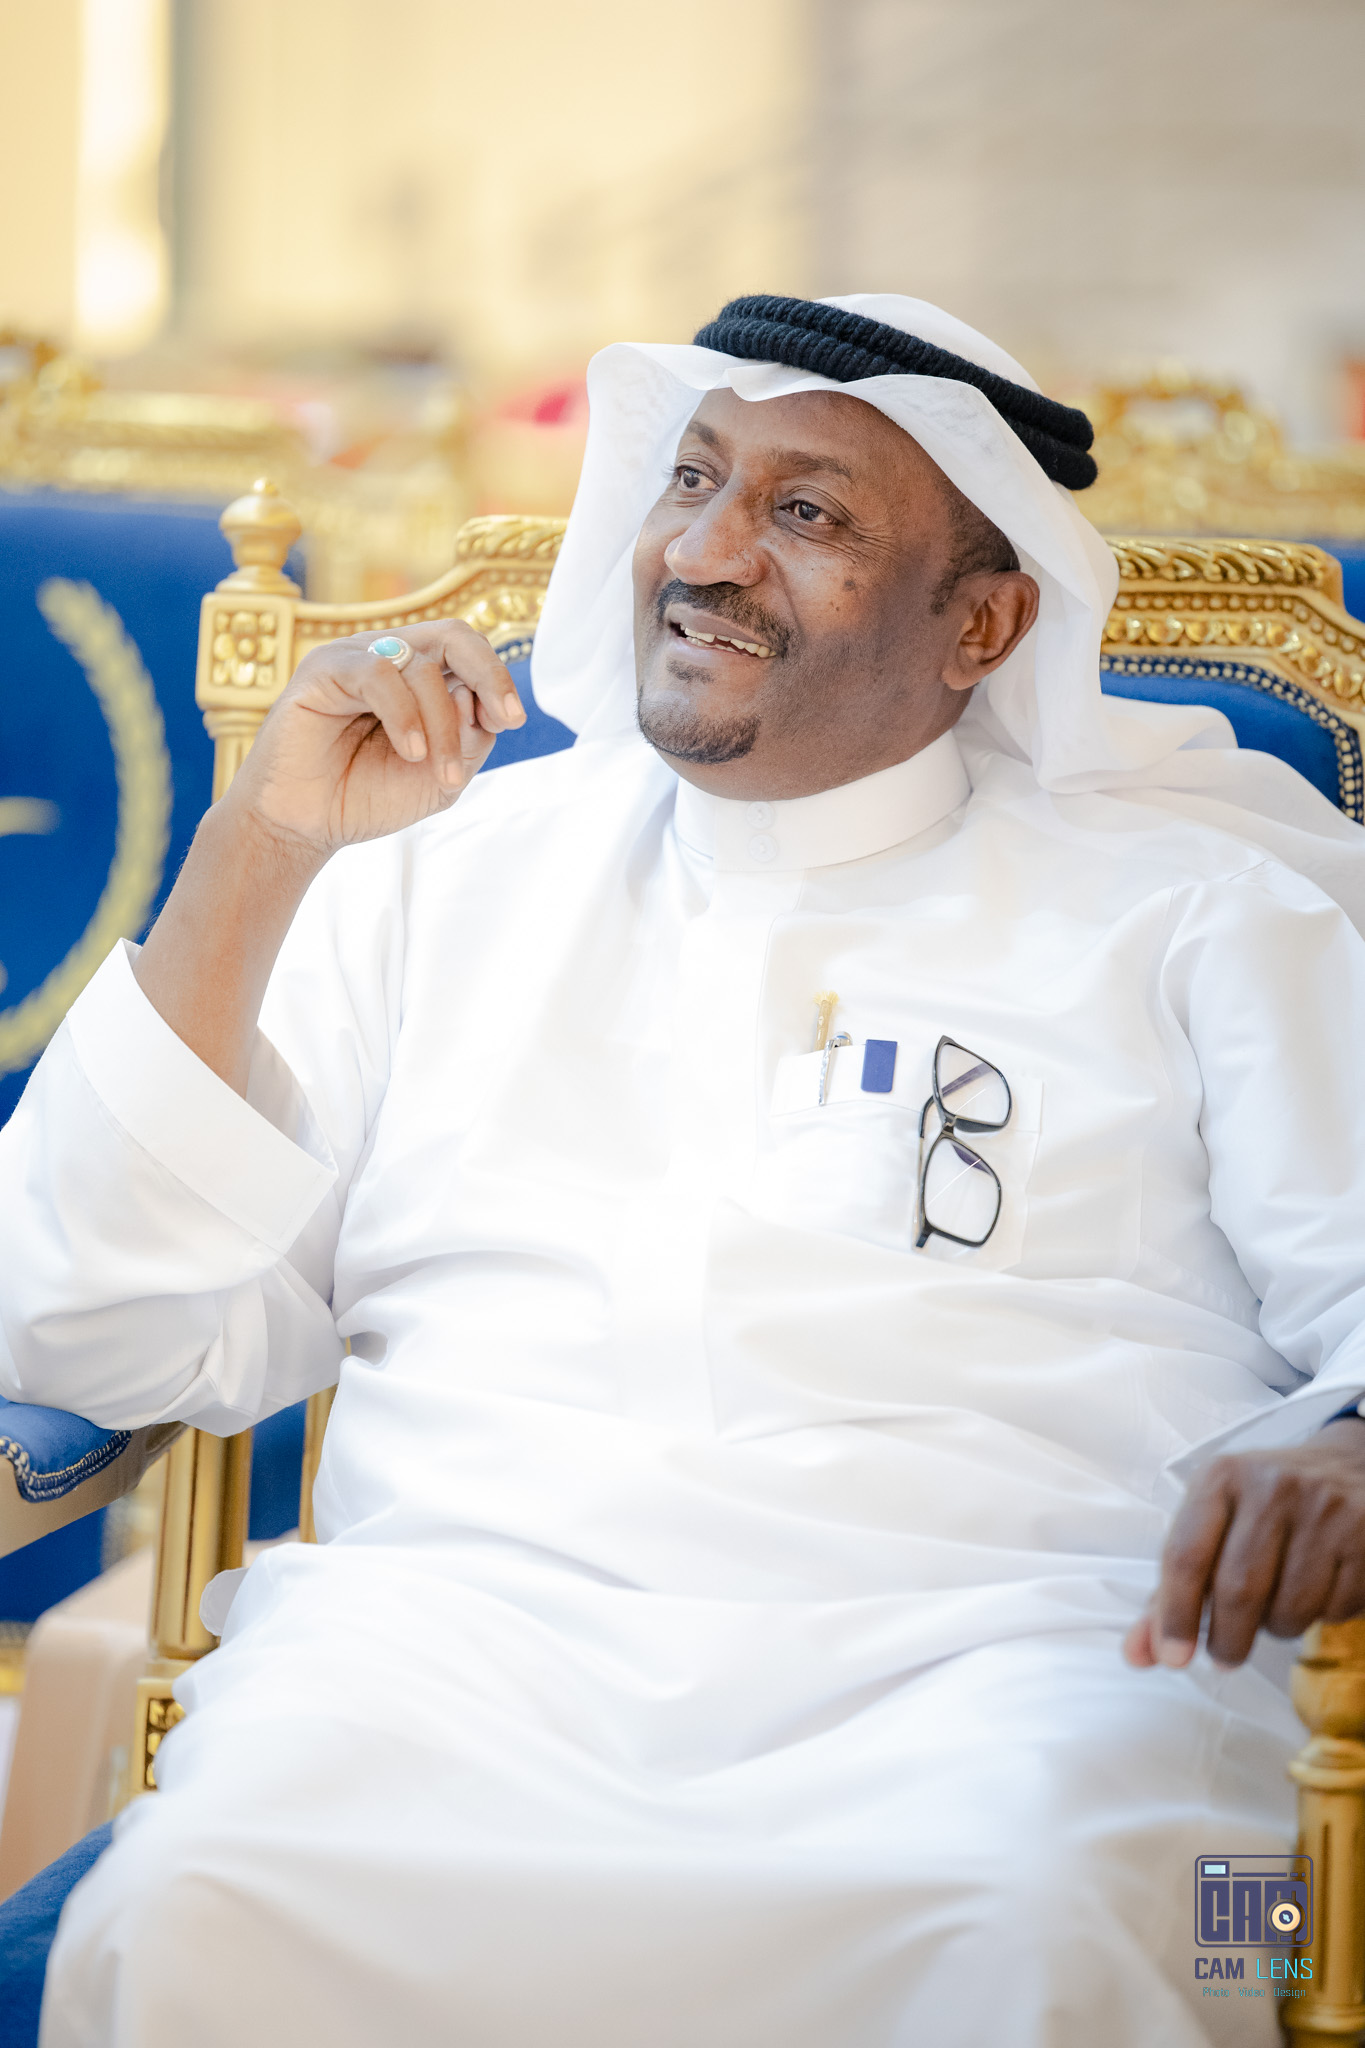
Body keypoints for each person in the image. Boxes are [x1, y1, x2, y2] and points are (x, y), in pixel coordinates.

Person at [4, 292, 1365, 2048]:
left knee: (1068, 1929)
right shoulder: (434, 873)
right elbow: (83, 1323)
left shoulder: (1198, 919)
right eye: (693, 479)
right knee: (196, 1905)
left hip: (1021, 1669)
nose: (705, 553)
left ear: (983, 622)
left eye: (804, 513)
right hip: (455, 1655)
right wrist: (260, 847)